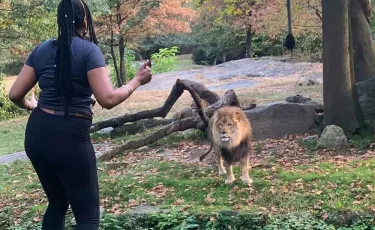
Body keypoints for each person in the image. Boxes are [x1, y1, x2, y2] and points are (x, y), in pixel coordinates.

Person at [8, 0, 152, 229]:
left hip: (37, 135)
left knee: (57, 204)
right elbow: (108, 99)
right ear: (85, 21)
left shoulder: (41, 49)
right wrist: (137, 81)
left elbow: (15, 94)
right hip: (70, 139)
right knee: (88, 216)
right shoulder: (88, 50)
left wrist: (31, 106)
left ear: (59, 20)